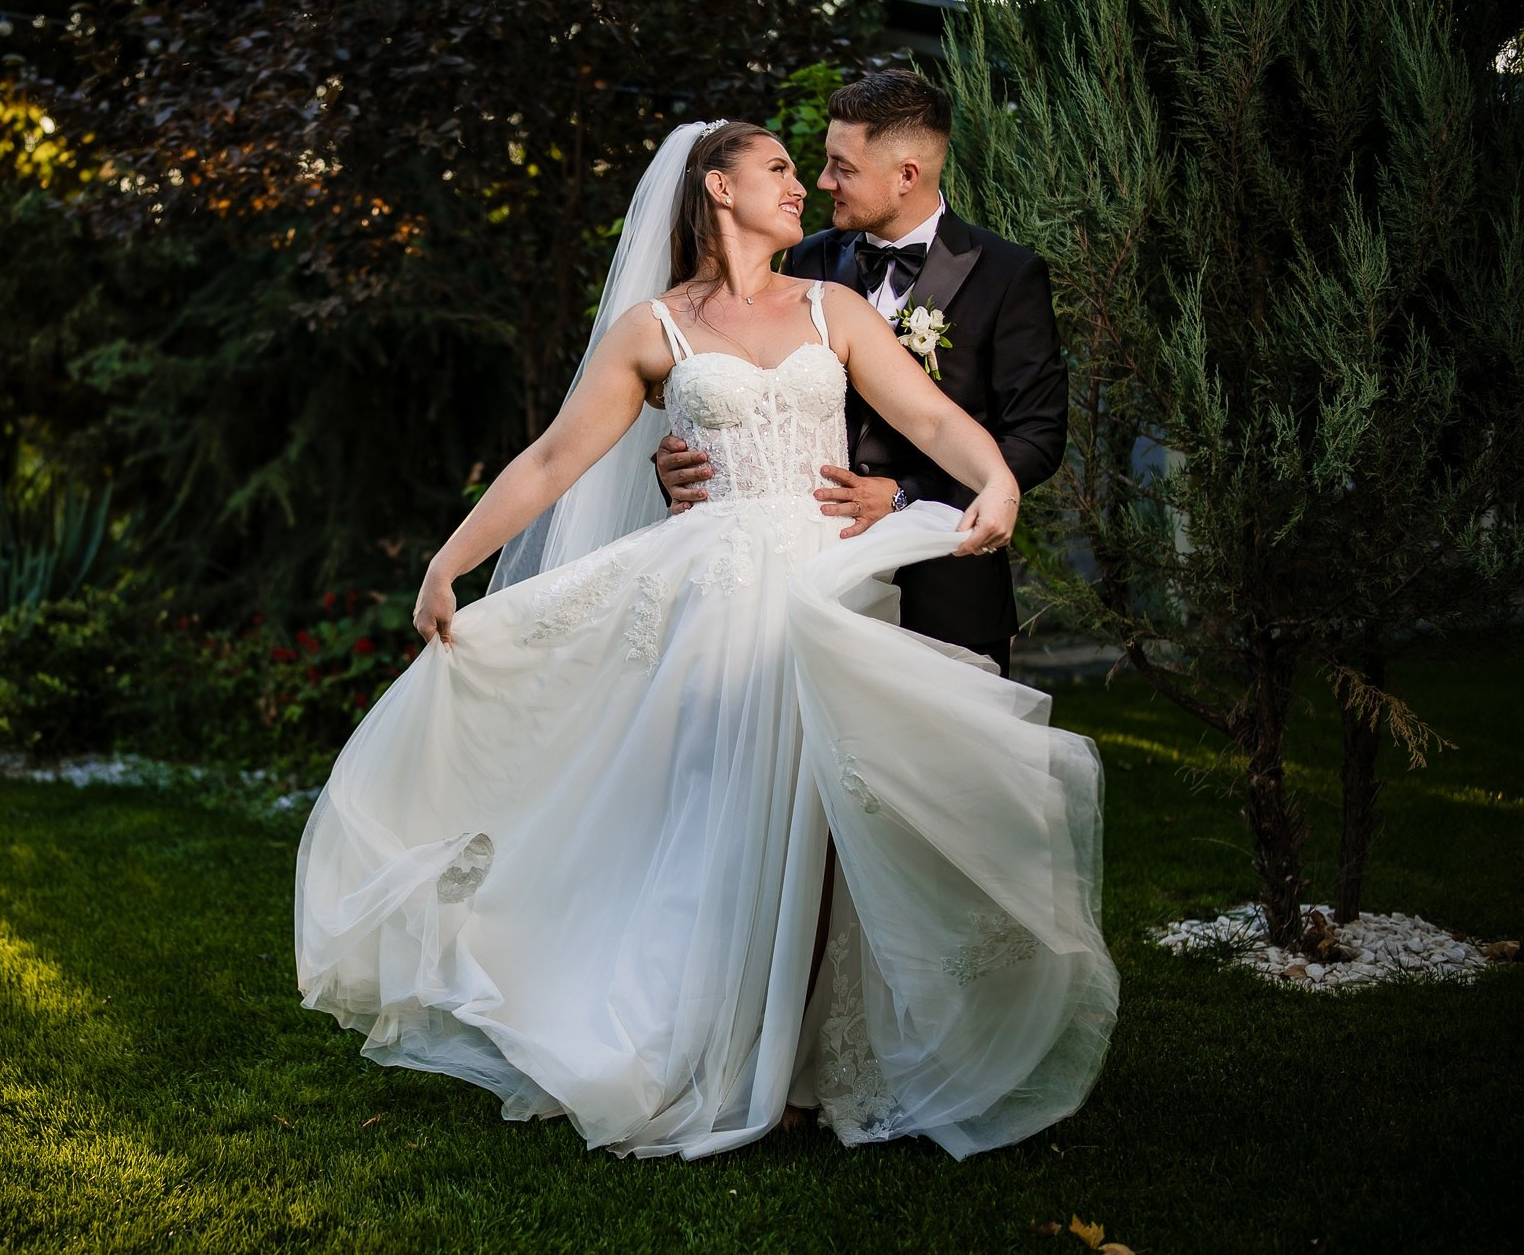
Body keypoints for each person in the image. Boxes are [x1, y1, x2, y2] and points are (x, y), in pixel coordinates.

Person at [294, 120, 1116, 1161]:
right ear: (716, 188)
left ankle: (810, 1060)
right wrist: (445, 563)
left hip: (827, 588)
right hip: (715, 596)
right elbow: (552, 460)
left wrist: (995, 480)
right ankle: (719, 1055)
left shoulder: (834, 306)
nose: (801, 188)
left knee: (832, 819)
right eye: (778, 168)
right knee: (721, 819)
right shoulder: (652, 331)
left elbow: (932, 419)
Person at [654, 71, 1068, 677]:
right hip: (806, 579)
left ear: (907, 175)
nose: (823, 182)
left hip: (944, 579)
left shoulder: (1008, 275)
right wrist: (688, 460)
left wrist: (905, 497)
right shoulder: (804, 258)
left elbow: (1036, 436)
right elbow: (743, 385)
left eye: (842, 167)